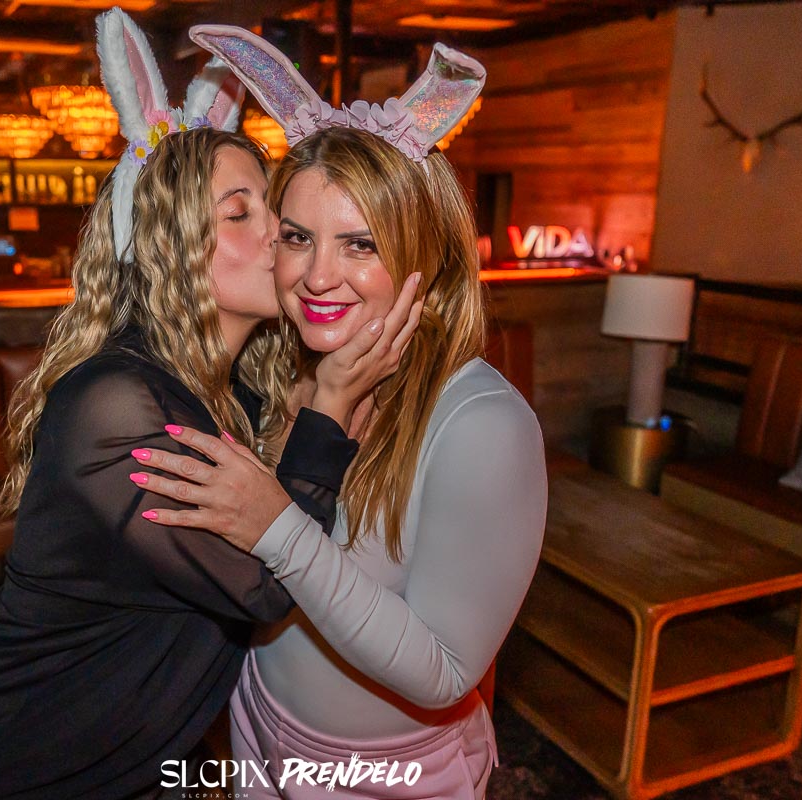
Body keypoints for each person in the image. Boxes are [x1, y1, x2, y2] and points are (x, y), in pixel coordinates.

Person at [0, 10, 420, 800]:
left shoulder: (229, 387)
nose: (279, 234)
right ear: (168, 244)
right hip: (35, 758)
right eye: (241, 213)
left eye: (274, 210)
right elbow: (263, 587)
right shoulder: (115, 403)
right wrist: (328, 410)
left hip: (146, 755)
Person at [129, 27, 548, 799]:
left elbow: (445, 671)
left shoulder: (483, 424)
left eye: (360, 245)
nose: (318, 276)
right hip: (254, 721)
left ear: (429, 256)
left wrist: (277, 526)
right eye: (298, 237)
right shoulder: (276, 366)